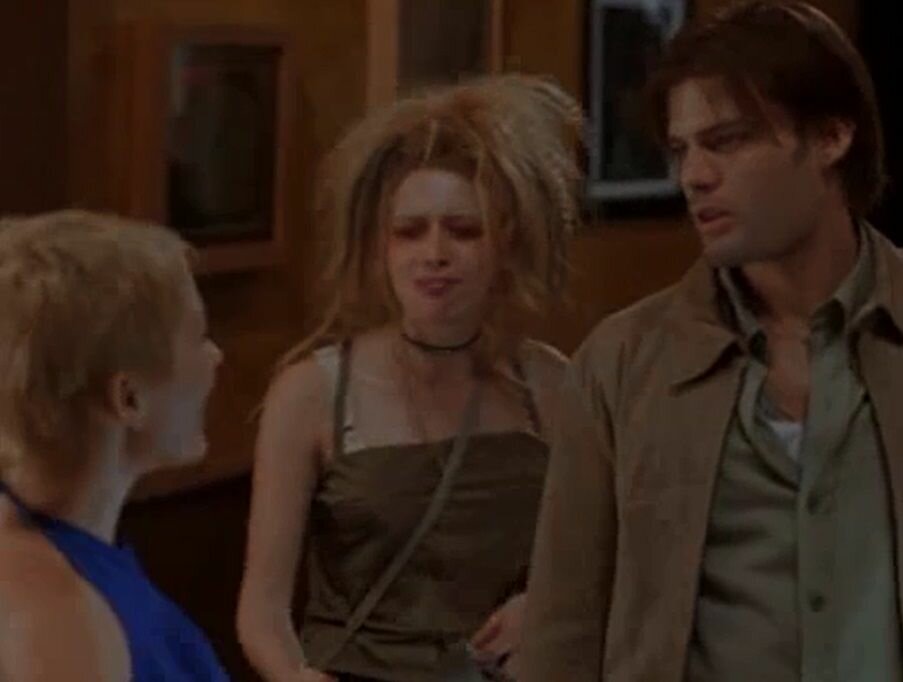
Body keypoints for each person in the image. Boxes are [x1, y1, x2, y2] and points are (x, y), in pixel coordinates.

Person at [519, 2, 902, 680]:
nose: (694, 175)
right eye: (681, 150)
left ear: (830, 137)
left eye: (727, 141)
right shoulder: (623, 363)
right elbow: (563, 632)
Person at [236, 74, 583, 682]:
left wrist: (544, 606)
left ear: (506, 243)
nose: (434, 254)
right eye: (410, 231)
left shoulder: (548, 385)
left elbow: (594, 555)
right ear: (379, 247)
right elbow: (262, 611)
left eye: (464, 230)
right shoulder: (312, 392)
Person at [0, 211, 227, 681]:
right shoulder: (56, 621)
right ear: (129, 398)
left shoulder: (62, 541)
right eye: (197, 337)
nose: (214, 356)